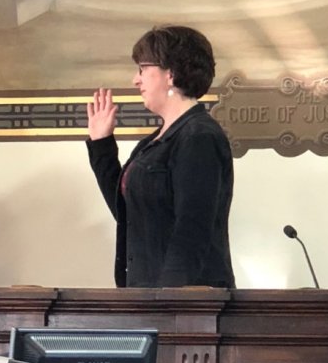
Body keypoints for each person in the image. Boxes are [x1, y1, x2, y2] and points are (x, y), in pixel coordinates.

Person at [86, 25, 235, 288]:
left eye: (142, 69)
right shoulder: (152, 142)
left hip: (183, 307)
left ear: (171, 73)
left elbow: (192, 230)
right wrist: (102, 145)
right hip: (149, 297)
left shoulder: (199, 136)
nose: (136, 79)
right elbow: (129, 215)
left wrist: (170, 302)